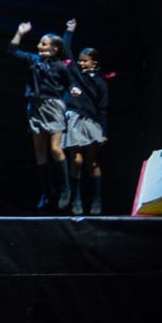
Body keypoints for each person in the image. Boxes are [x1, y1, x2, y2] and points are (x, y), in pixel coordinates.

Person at [8, 18, 74, 210]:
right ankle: (46, 192)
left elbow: (71, 77)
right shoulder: (34, 60)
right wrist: (19, 33)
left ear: (54, 49)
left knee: (55, 149)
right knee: (40, 152)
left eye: (43, 44)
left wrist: (68, 32)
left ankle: (66, 189)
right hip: (35, 106)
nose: (39, 46)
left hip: (53, 107)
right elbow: (12, 51)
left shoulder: (61, 65)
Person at [63, 41, 108, 216]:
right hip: (75, 118)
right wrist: (70, 32)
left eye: (85, 61)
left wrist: (103, 132)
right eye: (80, 60)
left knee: (92, 161)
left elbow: (103, 108)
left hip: (92, 121)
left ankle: (97, 199)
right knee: (77, 160)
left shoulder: (101, 83)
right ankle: (76, 198)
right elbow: (66, 52)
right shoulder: (75, 74)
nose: (81, 63)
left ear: (94, 63)